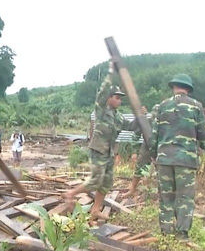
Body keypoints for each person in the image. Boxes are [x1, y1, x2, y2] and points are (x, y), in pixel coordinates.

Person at [62, 61, 146, 220]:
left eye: (121, 99)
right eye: (116, 98)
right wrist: (110, 73)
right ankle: (70, 193)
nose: (119, 101)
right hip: (98, 150)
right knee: (95, 181)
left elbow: (133, 126)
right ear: (108, 99)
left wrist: (141, 116)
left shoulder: (119, 116)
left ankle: (95, 209)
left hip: (109, 153)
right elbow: (102, 92)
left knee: (106, 183)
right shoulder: (101, 110)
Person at [149, 74, 205, 241]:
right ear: (188, 89)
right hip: (186, 160)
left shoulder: (162, 106)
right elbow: (202, 132)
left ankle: (165, 232)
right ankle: (182, 234)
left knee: (166, 196)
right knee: (185, 197)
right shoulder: (196, 106)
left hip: (164, 159)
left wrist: (153, 154)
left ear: (174, 87)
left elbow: (154, 134)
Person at [122, 104, 159, 199]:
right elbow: (135, 136)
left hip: (160, 149)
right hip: (146, 148)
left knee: (163, 170)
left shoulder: (166, 124)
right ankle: (132, 190)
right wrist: (134, 151)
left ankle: (161, 193)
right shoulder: (146, 122)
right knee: (139, 167)